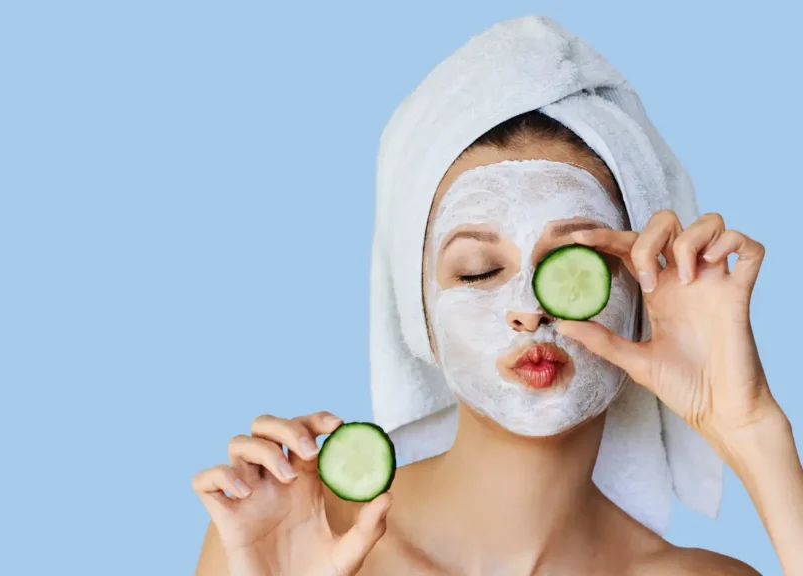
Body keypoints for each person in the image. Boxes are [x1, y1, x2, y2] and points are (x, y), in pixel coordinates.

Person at [192, 16, 803, 576]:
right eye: (480, 270)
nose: (529, 308)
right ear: (419, 315)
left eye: (574, 265)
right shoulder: (287, 543)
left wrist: (750, 426)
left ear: (643, 296)